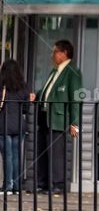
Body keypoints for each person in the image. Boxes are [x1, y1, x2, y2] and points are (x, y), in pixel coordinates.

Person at [30, 40, 82, 194]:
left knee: (56, 154)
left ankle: (57, 184)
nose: (52, 55)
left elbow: (76, 98)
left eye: (54, 52)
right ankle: (44, 183)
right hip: (45, 116)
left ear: (64, 53)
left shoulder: (73, 72)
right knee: (43, 151)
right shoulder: (55, 71)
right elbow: (48, 90)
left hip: (58, 118)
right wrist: (37, 96)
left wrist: (75, 123)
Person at [0, 60, 29, 193]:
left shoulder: (2, 86)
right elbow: (26, 109)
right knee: (17, 156)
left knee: (7, 156)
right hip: (19, 125)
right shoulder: (23, 87)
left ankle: (7, 186)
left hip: (3, 125)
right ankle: (17, 187)